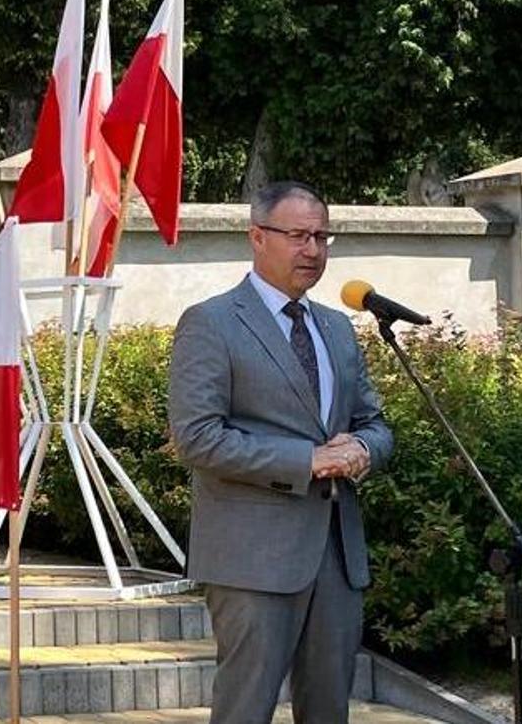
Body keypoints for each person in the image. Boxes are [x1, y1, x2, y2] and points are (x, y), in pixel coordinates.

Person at [166, 181, 392, 723]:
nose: (312, 250)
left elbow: (376, 423)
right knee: (246, 709)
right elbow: (198, 437)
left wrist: (363, 447)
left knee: (327, 712)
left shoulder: (337, 328)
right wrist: (306, 461)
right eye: (297, 235)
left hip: (336, 556)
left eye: (321, 236)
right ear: (257, 237)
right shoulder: (211, 322)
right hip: (252, 560)